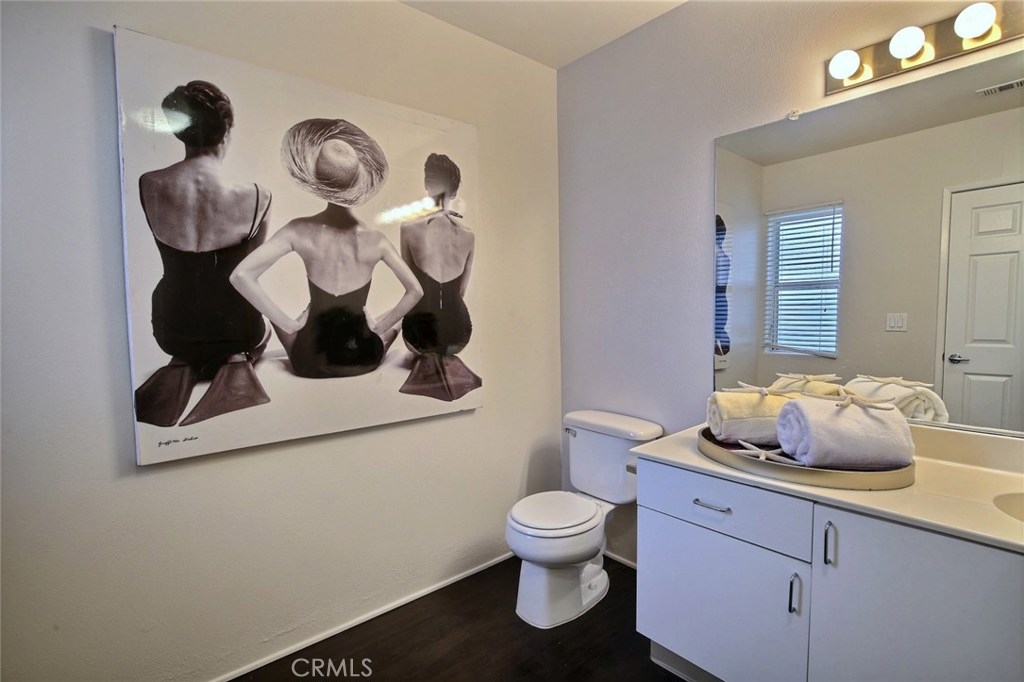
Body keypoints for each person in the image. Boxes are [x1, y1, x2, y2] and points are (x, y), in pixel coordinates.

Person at [231, 118, 422, 379]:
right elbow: (415, 291)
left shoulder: (297, 230)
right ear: (358, 182)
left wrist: (290, 324)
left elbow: (240, 275)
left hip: (309, 360)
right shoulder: (377, 240)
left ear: (317, 181)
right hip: (362, 358)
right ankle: (372, 330)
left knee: (274, 319)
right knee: (394, 320)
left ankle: (304, 324)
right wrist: (378, 328)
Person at [134, 80, 272, 427]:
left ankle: (184, 362)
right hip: (238, 330)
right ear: (227, 130)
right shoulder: (258, 194)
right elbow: (250, 274)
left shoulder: (149, 183)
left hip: (171, 330)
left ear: (178, 131)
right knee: (261, 330)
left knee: (186, 313)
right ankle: (235, 359)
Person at [398, 153, 481, 401]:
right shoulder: (468, 235)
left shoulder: (408, 228)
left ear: (427, 185)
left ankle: (426, 358)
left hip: (419, 336)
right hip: (459, 334)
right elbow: (461, 291)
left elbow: (412, 290)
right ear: (455, 192)